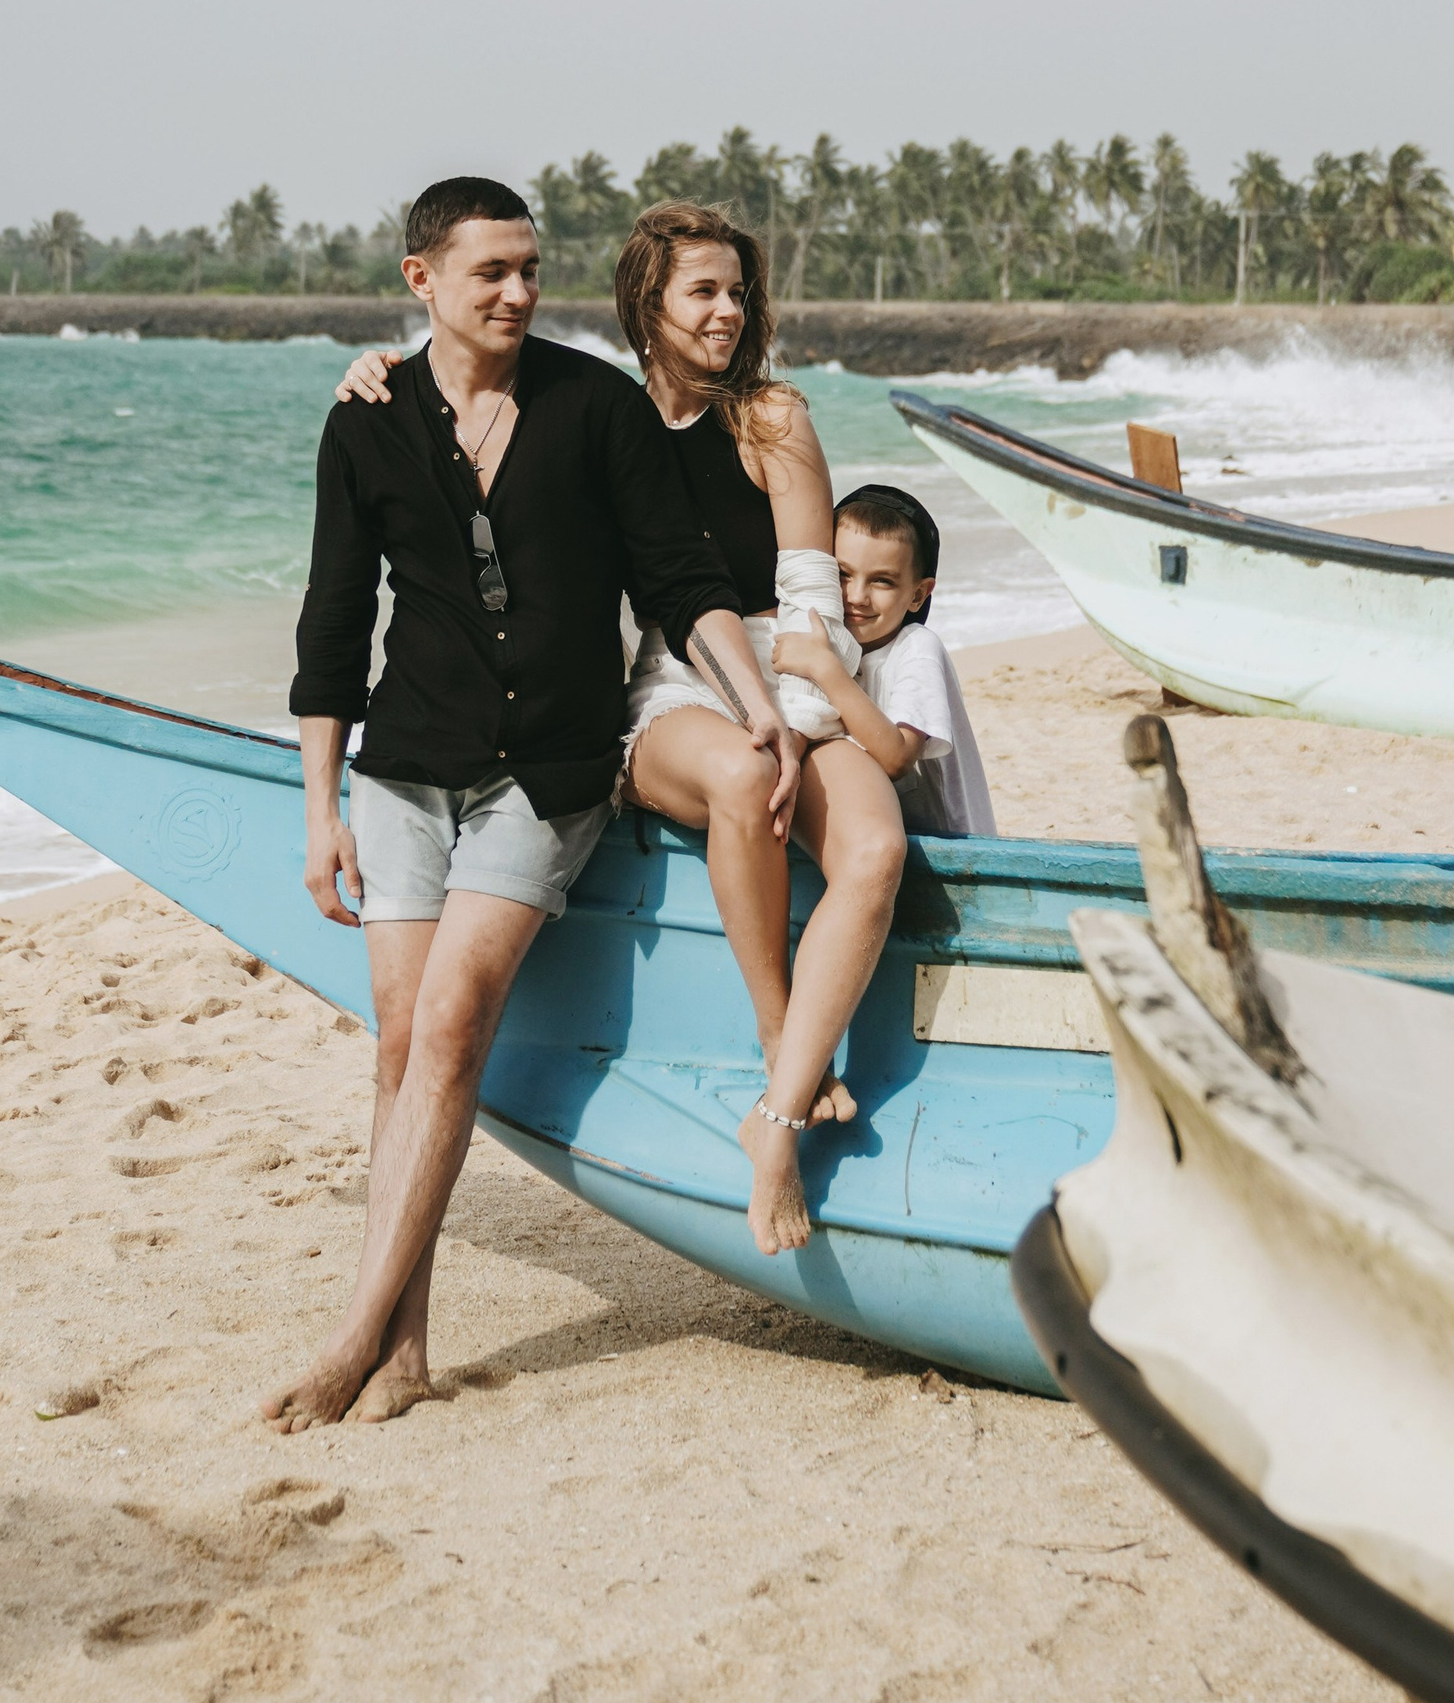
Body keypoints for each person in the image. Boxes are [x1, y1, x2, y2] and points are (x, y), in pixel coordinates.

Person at [262, 176, 793, 1431]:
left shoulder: (593, 405)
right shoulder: (369, 420)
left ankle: (350, 1335)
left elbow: (678, 574)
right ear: (420, 280)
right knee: (398, 1047)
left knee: (447, 1030)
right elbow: (334, 622)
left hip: (546, 776)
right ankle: (405, 1350)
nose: (514, 290)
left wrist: (753, 695)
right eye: (488, 270)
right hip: (401, 766)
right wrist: (317, 805)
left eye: (528, 268)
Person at [330, 201, 908, 1260]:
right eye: (704, 290)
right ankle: (781, 1033)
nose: (729, 310)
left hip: (795, 679)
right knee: (740, 775)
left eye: (740, 290)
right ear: (647, 303)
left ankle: (772, 1118)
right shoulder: (598, 413)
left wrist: (801, 717)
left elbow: (810, 588)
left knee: (875, 848)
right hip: (670, 690)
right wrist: (384, 373)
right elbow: (483, 458)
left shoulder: (770, 418)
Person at [774, 484, 997, 839]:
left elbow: (896, 758)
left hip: (948, 849)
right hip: (870, 836)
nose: (856, 596)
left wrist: (825, 669)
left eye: (882, 581)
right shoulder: (828, 640)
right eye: (842, 574)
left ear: (918, 594)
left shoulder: (917, 649)